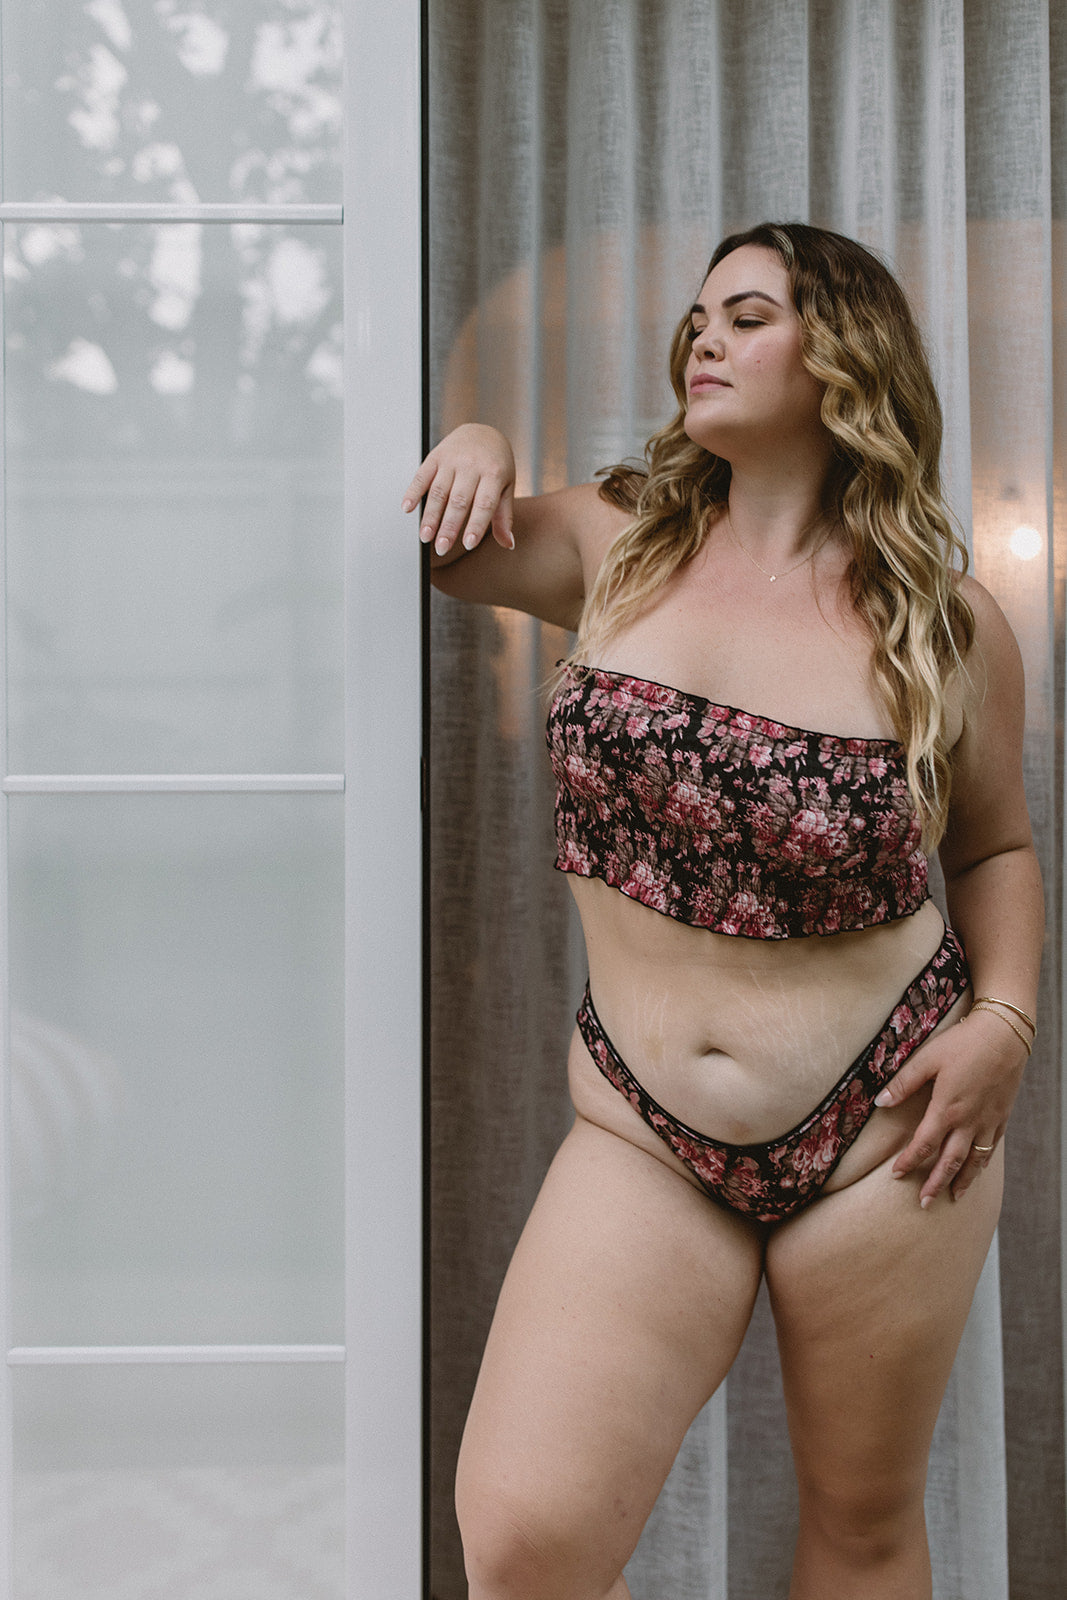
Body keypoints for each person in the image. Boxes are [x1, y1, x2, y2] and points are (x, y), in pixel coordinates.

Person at [403, 222, 1043, 1600]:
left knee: (861, 1530)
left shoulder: (944, 622)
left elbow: (994, 849)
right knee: (525, 1538)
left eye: (746, 315)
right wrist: (472, 439)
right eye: (698, 317)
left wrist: (1005, 1020)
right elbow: (448, 558)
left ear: (842, 357)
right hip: (643, 1127)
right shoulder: (612, 540)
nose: (704, 336)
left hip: (890, 1134)